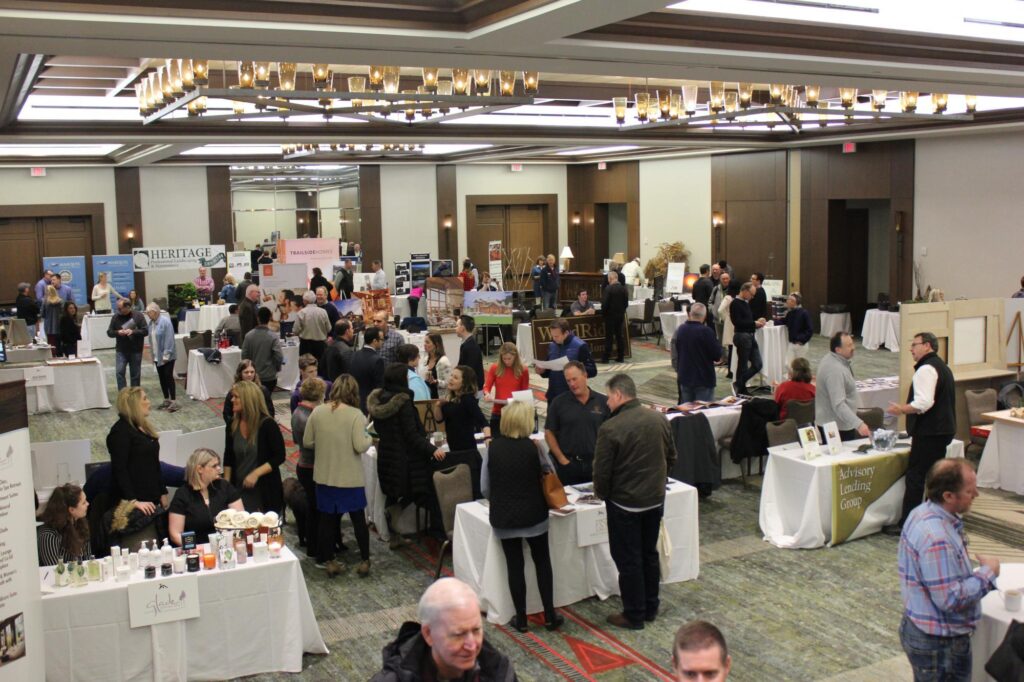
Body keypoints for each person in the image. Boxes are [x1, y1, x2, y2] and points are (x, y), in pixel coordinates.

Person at [897, 459, 998, 681]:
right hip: (940, 645)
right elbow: (950, 599)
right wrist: (988, 572)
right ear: (948, 496)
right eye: (970, 491)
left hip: (921, 629)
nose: (977, 495)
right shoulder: (937, 540)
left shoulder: (921, 512)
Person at [593, 373, 676, 630]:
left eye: (608, 397)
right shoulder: (658, 418)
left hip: (625, 504)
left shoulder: (610, 428)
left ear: (618, 395)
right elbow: (671, 456)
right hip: (654, 499)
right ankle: (651, 606)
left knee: (628, 559)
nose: (607, 403)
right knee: (649, 553)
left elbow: (602, 472)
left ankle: (634, 614)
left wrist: (603, 494)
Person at [481, 400, 563, 633]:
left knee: (514, 567)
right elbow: (551, 476)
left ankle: (522, 619)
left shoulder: (493, 448)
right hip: (535, 516)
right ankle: (549, 615)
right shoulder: (535, 447)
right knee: (543, 563)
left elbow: (485, 488)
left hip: (505, 518)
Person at [370, 578, 517, 682]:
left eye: (476, 630)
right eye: (458, 634)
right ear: (428, 634)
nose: (472, 645)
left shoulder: (499, 670)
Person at [367, 363, 445, 547]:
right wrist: (432, 449)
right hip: (405, 460)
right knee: (421, 489)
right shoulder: (403, 403)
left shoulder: (379, 400)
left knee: (394, 493)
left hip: (387, 455)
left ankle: (392, 526)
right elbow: (411, 435)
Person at [886, 331, 957, 533]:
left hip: (930, 433)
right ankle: (935, 519)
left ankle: (908, 524)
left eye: (914, 344)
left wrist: (902, 409)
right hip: (943, 430)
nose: (911, 349)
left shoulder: (926, 369)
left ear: (927, 346)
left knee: (916, 477)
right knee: (935, 478)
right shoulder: (943, 367)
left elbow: (923, 402)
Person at [304, 376, 375, 577]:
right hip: (349, 478)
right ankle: (365, 560)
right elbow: (360, 445)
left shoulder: (318, 411)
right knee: (358, 520)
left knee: (326, 520)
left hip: (325, 476)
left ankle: (329, 561)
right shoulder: (356, 415)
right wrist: (370, 436)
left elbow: (307, 441)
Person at [107, 387, 168, 538]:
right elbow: (119, 470)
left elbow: (154, 463)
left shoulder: (143, 427)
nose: (149, 402)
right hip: (136, 503)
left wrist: (162, 490)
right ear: (134, 404)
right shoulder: (120, 433)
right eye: (145, 399)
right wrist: (133, 501)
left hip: (152, 498)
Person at [224, 380, 285, 513]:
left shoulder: (268, 425)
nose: (232, 400)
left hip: (264, 490)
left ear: (247, 399)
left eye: (236, 397)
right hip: (239, 489)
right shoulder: (232, 425)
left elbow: (279, 456)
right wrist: (226, 485)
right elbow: (228, 456)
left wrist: (256, 473)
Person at [544, 360, 608, 485]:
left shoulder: (603, 402)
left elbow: (612, 434)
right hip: (568, 466)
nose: (572, 384)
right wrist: (562, 460)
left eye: (575, 379)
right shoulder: (558, 403)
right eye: (568, 381)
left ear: (585, 375)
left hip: (595, 466)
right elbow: (548, 432)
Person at [167, 448, 243, 547]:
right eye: (214, 466)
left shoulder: (224, 486)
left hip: (227, 546)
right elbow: (175, 534)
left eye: (218, 465)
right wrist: (196, 549)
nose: (219, 468)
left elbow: (240, 519)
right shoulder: (183, 494)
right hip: (198, 548)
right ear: (200, 469)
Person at [291, 376, 324, 558]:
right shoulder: (312, 417)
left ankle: (312, 543)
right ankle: (315, 546)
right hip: (312, 466)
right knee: (316, 509)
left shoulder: (297, 412)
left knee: (313, 507)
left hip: (303, 463)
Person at [815, 332, 871, 441]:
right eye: (849, 346)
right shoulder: (835, 370)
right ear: (838, 350)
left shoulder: (832, 360)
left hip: (837, 423)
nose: (853, 347)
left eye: (852, 344)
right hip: (836, 426)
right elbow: (838, 404)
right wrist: (859, 424)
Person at [672, 303, 723, 403]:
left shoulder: (681, 329)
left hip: (685, 376)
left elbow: (676, 351)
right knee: (703, 412)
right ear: (704, 316)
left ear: (690, 314)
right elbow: (717, 355)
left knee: (687, 412)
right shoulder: (707, 332)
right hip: (703, 378)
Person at [539, 317, 597, 402]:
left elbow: (593, 371)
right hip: (553, 395)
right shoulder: (552, 346)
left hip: (572, 397)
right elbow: (549, 372)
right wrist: (542, 371)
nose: (554, 339)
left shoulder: (580, 346)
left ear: (566, 333)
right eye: (552, 336)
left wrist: (574, 368)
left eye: (557, 336)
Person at [434, 365, 490, 452]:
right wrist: (438, 406)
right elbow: (439, 420)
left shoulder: (468, 399)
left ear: (464, 383)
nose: (451, 379)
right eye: (451, 375)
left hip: (466, 449)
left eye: (455, 377)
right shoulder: (451, 398)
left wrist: (487, 438)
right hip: (453, 447)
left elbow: (483, 421)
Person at [483, 342, 530, 436]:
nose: (507, 361)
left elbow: (525, 393)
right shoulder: (495, 367)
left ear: (515, 357)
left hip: (515, 411)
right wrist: (487, 393)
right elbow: (486, 386)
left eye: (509, 359)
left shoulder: (523, 370)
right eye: (504, 359)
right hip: (498, 411)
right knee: (496, 440)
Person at [37, 483, 91, 565]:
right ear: (71, 510)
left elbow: (87, 560)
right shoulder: (49, 535)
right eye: (83, 503)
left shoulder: (80, 524)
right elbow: (54, 569)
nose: (88, 504)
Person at [729, 282, 764, 396]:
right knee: (743, 365)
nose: (752, 297)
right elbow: (737, 322)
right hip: (742, 336)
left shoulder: (745, 303)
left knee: (758, 364)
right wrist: (754, 323)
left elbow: (748, 318)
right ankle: (741, 388)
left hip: (749, 335)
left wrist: (759, 320)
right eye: (751, 294)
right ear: (744, 291)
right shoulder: (735, 303)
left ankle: (739, 384)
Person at [107, 298, 147, 390]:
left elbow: (145, 331)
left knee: (135, 375)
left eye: (120, 308)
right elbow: (109, 332)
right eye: (117, 308)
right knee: (119, 373)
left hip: (136, 350)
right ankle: (123, 396)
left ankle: (135, 397)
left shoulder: (138, 316)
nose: (118, 310)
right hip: (121, 350)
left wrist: (133, 331)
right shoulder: (116, 317)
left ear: (128, 307)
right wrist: (118, 332)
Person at [241, 306, 283, 394]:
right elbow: (279, 356)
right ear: (269, 318)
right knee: (267, 399)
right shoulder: (273, 336)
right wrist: (277, 368)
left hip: (252, 376)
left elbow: (244, 356)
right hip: (269, 376)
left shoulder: (248, 336)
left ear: (258, 318)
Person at [145, 302, 178, 411]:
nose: (147, 315)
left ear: (155, 312)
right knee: (161, 378)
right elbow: (151, 339)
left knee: (168, 377)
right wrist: (152, 354)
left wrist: (166, 356)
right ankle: (166, 399)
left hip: (167, 356)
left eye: (148, 312)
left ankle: (173, 400)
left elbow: (169, 340)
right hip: (157, 355)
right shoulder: (151, 323)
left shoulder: (165, 322)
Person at [222, 358, 274, 425]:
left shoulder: (262, 390)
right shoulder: (233, 391)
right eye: (246, 372)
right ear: (240, 373)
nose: (249, 375)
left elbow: (270, 411)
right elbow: (227, 413)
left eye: (252, 372)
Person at [350, 327, 386, 411]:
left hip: (355, 399)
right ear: (374, 341)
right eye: (381, 339)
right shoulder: (378, 360)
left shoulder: (354, 355)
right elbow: (380, 386)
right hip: (370, 403)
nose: (383, 342)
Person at [293, 290, 330, 361]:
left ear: (305, 301)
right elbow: (328, 328)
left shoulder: (301, 313)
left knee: (306, 367)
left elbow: (295, 330)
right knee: (321, 368)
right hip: (321, 345)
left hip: (305, 345)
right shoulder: (323, 312)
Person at [601, 271, 629, 363]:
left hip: (610, 316)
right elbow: (626, 304)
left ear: (610, 278)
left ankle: (606, 358)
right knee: (619, 336)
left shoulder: (608, 289)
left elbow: (605, 304)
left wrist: (603, 313)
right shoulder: (624, 289)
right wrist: (621, 311)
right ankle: (621, 356)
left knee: (609, 337)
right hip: (620, 316)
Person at [455, 314, 484, 388]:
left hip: (473, 387)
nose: (455, 328)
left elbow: (469, 370)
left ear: (462, 328)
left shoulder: (470, 346)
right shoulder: (467, 343)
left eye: (457, 326)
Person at [783, 292, 813, 361]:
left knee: (800, 367)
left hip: (800, 344)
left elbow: (810, 329)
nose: (787, 301)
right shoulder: (790, 313)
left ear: (794, 302)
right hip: (791, 343)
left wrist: (801, 339)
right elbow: (784, 321)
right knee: (788, 364)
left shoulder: (804, 313)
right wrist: (770, 322)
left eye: (789, 299)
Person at [421, 332, 452, 400]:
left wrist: (436, 382)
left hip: (440, 398)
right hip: (428, 396)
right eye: (424, 342)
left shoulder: (443, 361)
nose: (424, 344)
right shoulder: (426, 359)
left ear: (436, 344)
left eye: (427, 342)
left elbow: (449, 383)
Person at [716, 273, 735, 378]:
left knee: (733, 348)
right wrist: (725, 318)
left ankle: (732, 370)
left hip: (731, 324)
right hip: (730, 324)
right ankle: (730, 371)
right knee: (731, 347)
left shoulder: (732, 297)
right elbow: (720, 310)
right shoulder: (728, 297)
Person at [41, 284, 64, 352]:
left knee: (51, 342)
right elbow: (63, 313)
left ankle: (52, 355)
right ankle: (59, 354)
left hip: (48, 326)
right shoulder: (60, 301)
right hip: (59, 325)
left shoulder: (45, 301)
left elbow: (42, 314)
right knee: (59, 342)